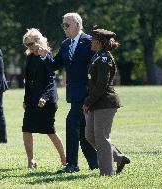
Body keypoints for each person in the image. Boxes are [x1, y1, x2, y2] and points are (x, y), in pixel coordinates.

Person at [38, 12, 98, 173]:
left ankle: (72, 164)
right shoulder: (65, 44)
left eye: (67, 25)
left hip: (87, 94)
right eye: (63, 25)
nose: (64, 28)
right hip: (73, 94)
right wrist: (45, 56)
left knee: (72, 123)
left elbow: (97, 67)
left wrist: (93, 93)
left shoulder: (90, 42)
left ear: (78, 25)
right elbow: (55, 65)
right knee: (84, 131)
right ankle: (95, 163)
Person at [82, 28, 130, 176]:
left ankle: (107, 173)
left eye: (93, 40)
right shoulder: (98, 56)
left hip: (105, 103)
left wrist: (88, 102)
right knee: (90, 136)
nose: (91, 42)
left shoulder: (104, 59)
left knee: (102, 137)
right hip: (97, 102)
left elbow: (102, 85)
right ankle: (118, 158)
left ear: (99, 42)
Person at [22, 28, 66, 168]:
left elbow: (51, 80)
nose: (31, 47)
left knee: (50, 131)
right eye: (28, 45)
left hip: (47, 100)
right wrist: (26, 100)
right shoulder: (29, 58)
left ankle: (64, 159)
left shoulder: (47, 56)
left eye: (32, 43)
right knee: (27, 129)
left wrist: (44, 97)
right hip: (32, 100)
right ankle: (31, 161)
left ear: (39, 41)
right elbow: (28, 82)